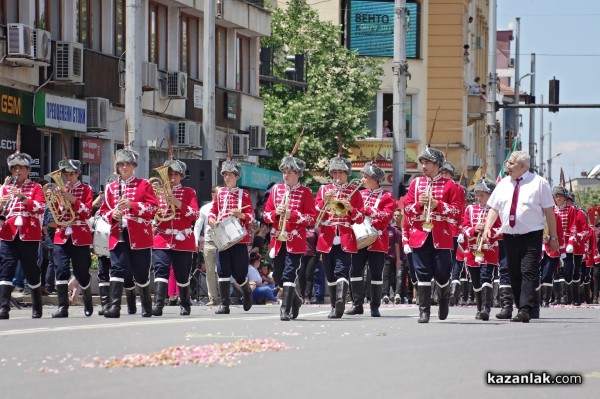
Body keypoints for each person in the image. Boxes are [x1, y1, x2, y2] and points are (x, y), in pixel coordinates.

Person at [483, 151, 558, 323]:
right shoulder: (502, 184)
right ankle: (521, 305)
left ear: (523, 166)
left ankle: (525, 309)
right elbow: (494, 208)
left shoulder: (539, 183)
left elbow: (549, 211)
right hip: (509, 235)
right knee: (514, 273)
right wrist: (488, 227)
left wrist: (553, 238)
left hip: (532, 235)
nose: (507, 165)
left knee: (528, 271)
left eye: (511, 163)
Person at [403, 148, 461, 323]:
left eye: (427, 162)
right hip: (420, 235)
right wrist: (419, 206)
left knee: (443, 273)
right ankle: (424, 311)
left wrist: (439, 205)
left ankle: (444, 300)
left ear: (437, 164)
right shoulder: (416, 184)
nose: (424, 166)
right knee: (422, 273)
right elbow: (407, 209)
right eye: (422, 162)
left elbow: (457, 212)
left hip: (441, 235)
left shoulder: (451, 185)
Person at [99, 148, 158, 318]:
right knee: (117, 268)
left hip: (139, 234)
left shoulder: (144, 184)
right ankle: (115, 307)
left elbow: (153, 208)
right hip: (117, 233)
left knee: (141, 273)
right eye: (120, 164)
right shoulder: (111, 187)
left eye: (127, 164)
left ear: (134, 166)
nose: (123, 167)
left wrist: (133, 205)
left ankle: (146, 306)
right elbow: (103, 210)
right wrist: (112, 214)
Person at [263, 151, 316, 321]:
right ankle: (295, 299)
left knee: (289, 273)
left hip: (296, 240)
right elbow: (265, 215)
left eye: (289, 172)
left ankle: (284, 310)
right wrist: (275, 213)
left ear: (298, 174)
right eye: (284, 172)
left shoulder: (305, 192)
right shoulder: (276, 190)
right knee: (278, 275)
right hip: (278, 239)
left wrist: (292, 214)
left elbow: (311, 218)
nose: (285, 175)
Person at [315, 155, 364, 319]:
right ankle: (334, 305)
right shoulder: (324, 190)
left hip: (345, 235)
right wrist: (325, 202)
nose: (337, 176)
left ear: (347, 174)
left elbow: (360, 218)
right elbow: (318, 215)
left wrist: (350, 209)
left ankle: (341, 300)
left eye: (340, 173)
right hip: (327, 235)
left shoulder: (354, 191)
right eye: (334, 173)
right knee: (329, 273)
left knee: (342, 270)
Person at [0, 152, 46, 319]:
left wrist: (23, 198)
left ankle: (37, 306)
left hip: (29, 233)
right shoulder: (4, 188)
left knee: (31, 270)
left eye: (20, 168)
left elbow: (40, 208)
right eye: (14, 168)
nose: (17, 171)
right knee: (6, 269)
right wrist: (1, 204)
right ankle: (3, 308)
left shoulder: (36, 187)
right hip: (8, 233)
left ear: (28, 170)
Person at [346, 162, 396, 317]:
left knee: (376, 273)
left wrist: (366, 210)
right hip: (359, 236)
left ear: (374, 179)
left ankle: (375, 305)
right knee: (355, 270)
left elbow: (385, 216)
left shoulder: (387, 197)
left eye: (365, 176)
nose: (362, 179)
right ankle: (357, 304)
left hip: (378, 238)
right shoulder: (359, 194)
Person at [152, 159, 199, 316]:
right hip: (162, 238)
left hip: (182, 240)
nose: (172, 177)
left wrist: (178, 203)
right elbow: (154, 215)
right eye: (169, 174)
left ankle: (185, 303)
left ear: (181, 176)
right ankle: (158, 304)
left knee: (182, 274)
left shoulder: (189, 192)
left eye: (175, 174)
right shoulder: (159, 192)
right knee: (160, 270)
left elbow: (194, 215)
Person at [208, 160, 254, 315]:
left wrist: (240, 214)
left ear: (236, 176)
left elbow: (251, 217)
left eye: (229, 174)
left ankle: (246, 291)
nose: (226, 177)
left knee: (240, 274)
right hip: (222, 236)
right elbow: (213, 211)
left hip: (238, 238)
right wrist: (211, 219)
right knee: (222, 270)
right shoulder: (220, 193)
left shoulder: (244, 194)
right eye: (225, 174)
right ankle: (224, 304)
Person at [50, 159, 94, 318]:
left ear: (78, 173)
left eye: (71, 174)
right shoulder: (58, 190)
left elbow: (87, 212)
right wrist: (56, 202)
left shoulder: (86, 189)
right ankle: (63, 307)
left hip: (79, 235)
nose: (68, 177)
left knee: (81, 273)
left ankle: (88, 302)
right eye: (65, 174)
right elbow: (55, 213)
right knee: (60, 270)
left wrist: (73, 199)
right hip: (61, 235)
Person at [461, 179, 502, 320]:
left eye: (482, 195)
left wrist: (488, 230)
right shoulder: (470, 209)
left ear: (490, 195)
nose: (478, 198)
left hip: (489, 248)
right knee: (476, 280)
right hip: (472, 250)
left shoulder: (496, 211)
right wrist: (473, 230)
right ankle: (479, 308)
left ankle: (486, 308)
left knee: (486, 277)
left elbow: (501, 230)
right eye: (477, 195)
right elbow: (465, 228)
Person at [194, 185, 220, 306]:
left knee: (221, 270)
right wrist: (196, 241)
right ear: (213, 195)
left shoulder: (225, 207)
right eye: (218, 193)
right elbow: (198, 225)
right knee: (210, 271)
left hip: (223, 242)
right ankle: (213, 298)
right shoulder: (205, 208)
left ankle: (224, 296)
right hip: (209, 241)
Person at [382, 209, 403, 304]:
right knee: (384, 275)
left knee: (392, 276)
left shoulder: (393, 230)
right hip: (380, 255)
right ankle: (384, 294)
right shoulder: (380, 228)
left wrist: (398, 259)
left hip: (390, 256)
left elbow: (396, 245)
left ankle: (394, 294)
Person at [297, 226, 318, 304]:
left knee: (309, 275)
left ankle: (307, 296)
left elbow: (319, 241)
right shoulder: (299, 227)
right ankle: (301, 295)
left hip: (312, 254)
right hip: (300, 254)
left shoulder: (315, 229)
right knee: (301, 275)